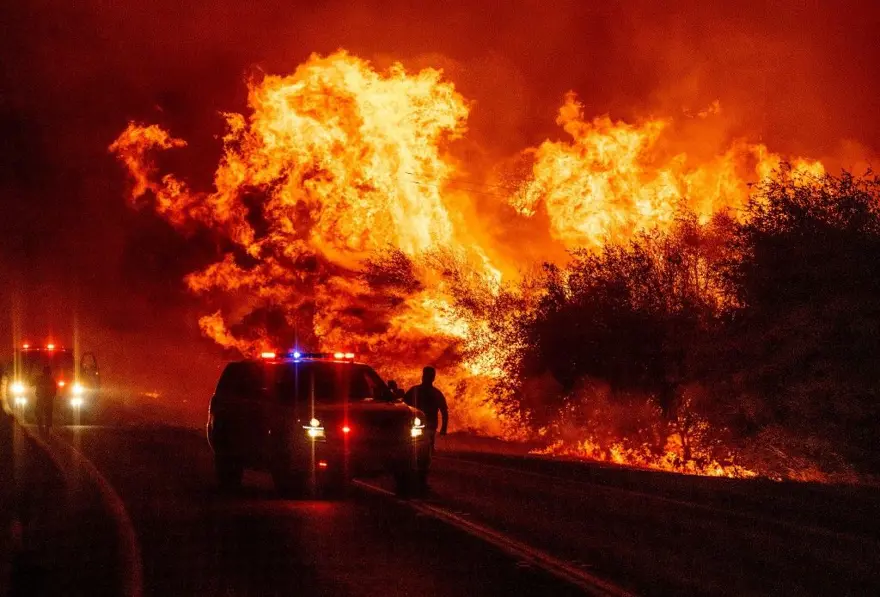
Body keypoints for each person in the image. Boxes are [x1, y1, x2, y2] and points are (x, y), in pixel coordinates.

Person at [404, 366, 448, 451]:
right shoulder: (436, 393)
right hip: (420, 424)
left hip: (420, 424)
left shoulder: (415, 390)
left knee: (419, 447)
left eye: (428, 376)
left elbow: (444, 411)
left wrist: (444, 428)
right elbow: (444, 412)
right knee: (422, 447)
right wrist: (443, 428)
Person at [34, 366, 57, 433]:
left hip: (41, 398)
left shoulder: (40, 379)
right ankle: (47, 427)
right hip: (48, 399)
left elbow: (33, 384)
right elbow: (54, 391)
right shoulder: (51, 380)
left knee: (39, 413)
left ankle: (41, 427)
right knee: (48, 414)